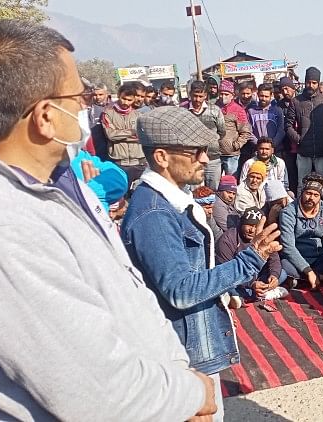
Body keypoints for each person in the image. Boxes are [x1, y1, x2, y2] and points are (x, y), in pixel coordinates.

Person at [0, 20, 218, 420]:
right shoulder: (2, 232)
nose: (85, 107)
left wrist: (176, 373)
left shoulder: (57, 180)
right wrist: (193, 393)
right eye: (77, 97)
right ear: (45, 116)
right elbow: (97, 393)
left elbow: (124, 291)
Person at [121, 106, 283, 421]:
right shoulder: (154, 214)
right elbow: (181, 290)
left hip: (192, 345)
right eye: (195, 152)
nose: (205, 159)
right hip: (182, 353)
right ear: (162, 157)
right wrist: (250, 259)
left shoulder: (171, 201)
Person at [279, 173, 323, 289]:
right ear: (302, 193)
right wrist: (308, 270)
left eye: (316, 195)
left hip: (320, 257)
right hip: (296, 257)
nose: (311, 198)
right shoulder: (288, 212)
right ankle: (316, 277)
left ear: (320, 196)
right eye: (308, 193)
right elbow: (288, 246)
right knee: (284, 268)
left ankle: (311, 278)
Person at [216, 207, 289, 302]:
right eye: (249, 225)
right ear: (241, 224)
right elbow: (225, 271)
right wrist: (251, 283)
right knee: (228, 289)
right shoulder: (228, 240)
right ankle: (262, 295)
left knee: (282, 274)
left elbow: (274, 259)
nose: (252, 230)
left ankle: (256, 294)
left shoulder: (263, 236)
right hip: (236, 277)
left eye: (256, 226)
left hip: (258, 276)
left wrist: (274, 276)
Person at [286, 67, 323, 189]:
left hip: (322, 152)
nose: (310, 85)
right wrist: (299, 139)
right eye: (308, 82)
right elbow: (288, 125)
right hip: (303, 152)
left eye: (314, 83)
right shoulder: (296, 102)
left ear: (318, 83)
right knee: (302, 185)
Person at [183, 80, 226, 190]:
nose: (197, 99)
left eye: (200, 96)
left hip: (213, 159)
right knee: (195, 193)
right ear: (190, 94)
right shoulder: (183, 111)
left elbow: (222, 132)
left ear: (205, 96)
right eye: (195, 96)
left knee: (213, 192)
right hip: (192, 160)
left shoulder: (215, 110)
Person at [102, 82, 146, 185]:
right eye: (123, 98)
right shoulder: (108, 113)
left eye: (129, 100)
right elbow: (111, 135)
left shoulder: (138, 115)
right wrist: (132, 132)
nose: (125, 102)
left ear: (134, 99)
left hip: (138, 163)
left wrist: (120, 135)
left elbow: (142, 137)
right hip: (119, 163)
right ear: (118, 96)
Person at [218, 80, 253, 178]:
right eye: (221, 94)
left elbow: (246, 132)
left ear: (232, 95)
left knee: (230, 182)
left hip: (231, 155)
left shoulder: (238, 110)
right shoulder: (214, 108)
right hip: (215, 154)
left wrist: (236, 145)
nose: (223, 96)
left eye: (226, 94)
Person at [247, 83, 286, 154]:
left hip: (275, 150)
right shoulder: (251, 111)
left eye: (266, 96)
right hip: (257, 150)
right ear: (258, 94)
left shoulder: (277, 111)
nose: (264, 99)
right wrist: (259, 145)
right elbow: (249, 131)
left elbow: (281, 130)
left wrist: (271, 145)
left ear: (271, 96)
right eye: (261, 96)